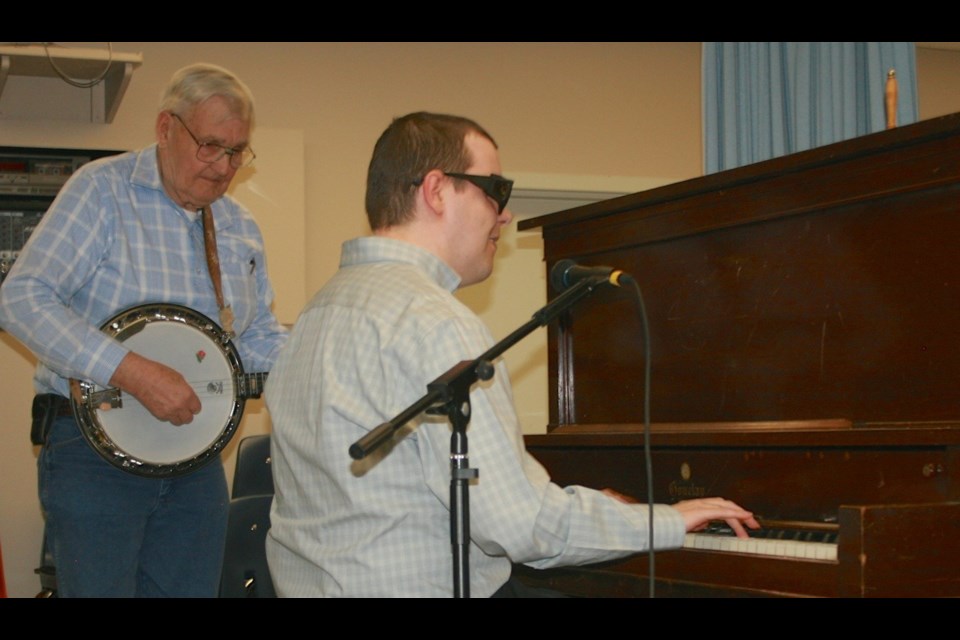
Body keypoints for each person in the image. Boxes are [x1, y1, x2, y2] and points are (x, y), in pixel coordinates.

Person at [265, 112, 759, 598]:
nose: (506, 214)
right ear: (436, 191)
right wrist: (665, 520)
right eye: (495, 191)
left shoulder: (314, 315)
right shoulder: (436, 322)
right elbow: (521, 526)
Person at [0, 63, 288, 597]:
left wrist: (320, 360)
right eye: (210, 145)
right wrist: (130, 371)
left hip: (195, 464)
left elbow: (253, 340)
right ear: (164, 128)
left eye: (237, 151)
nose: (224, 166)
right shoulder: (102, 191)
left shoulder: (238, 227)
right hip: (91, 454)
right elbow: (20, 298)